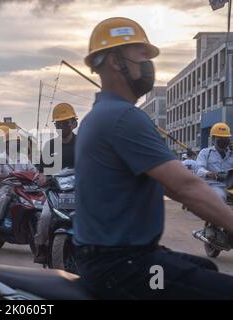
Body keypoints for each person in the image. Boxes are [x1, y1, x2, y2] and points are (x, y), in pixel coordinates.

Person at [74, 17, 233, 299]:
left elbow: (171, 187)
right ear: (115, 60)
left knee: (205, 266)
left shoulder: (100, 116)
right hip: (126, 269)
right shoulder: (124, 117)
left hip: (115, 260)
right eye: (141, 54)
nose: (148, 63)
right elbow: (187, 187)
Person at [33, 103, 77, 264]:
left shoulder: (82, 144)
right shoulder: (50, 146)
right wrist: (43, 178)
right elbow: (42, 172)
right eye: (59, 123)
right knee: (44, 217)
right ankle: (41, 248)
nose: (63, 126)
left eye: (66, 123)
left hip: (77, 193)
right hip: (55, 193)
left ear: (73, 123)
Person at [0, 129, 37, 238]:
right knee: (4, 198)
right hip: (7, 186)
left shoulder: (24, 158)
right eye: (13, 143)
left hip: (24, 187)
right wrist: (8, 175)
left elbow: (34, 171)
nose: (16, 145)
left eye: (18, 143)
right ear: (6, 145)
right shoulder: (0, 158)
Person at [196, 123, 233, 202]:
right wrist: (209, 173)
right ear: (213, 139)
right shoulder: (206, 153)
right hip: (214, 186)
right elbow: (198, 169)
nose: (224, 140)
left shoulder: (231, 153)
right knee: (219, 197)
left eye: (226, 138)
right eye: (220, 138)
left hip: (230, 186)